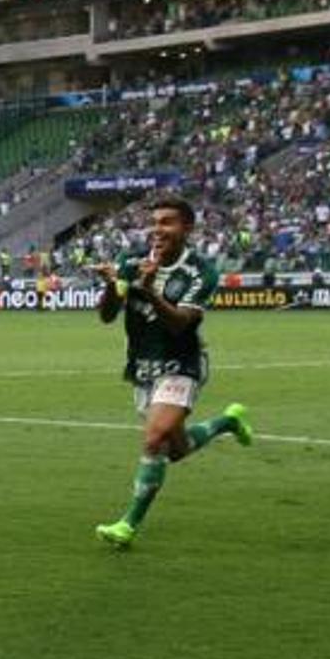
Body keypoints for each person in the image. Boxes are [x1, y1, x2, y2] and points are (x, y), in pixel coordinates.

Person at [90, 197, 253, 549]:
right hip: (143, 367)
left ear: (187, 229)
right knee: (174, 449)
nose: (157, 229)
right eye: (155, 222)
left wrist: (148, 291)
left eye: (168, 223)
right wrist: (111, 285)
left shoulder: (201, 272)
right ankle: (227, 423)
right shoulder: (131, 262)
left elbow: (180, 324)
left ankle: (127, 525)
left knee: (153, 439)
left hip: (183, 363)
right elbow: (106, 316)